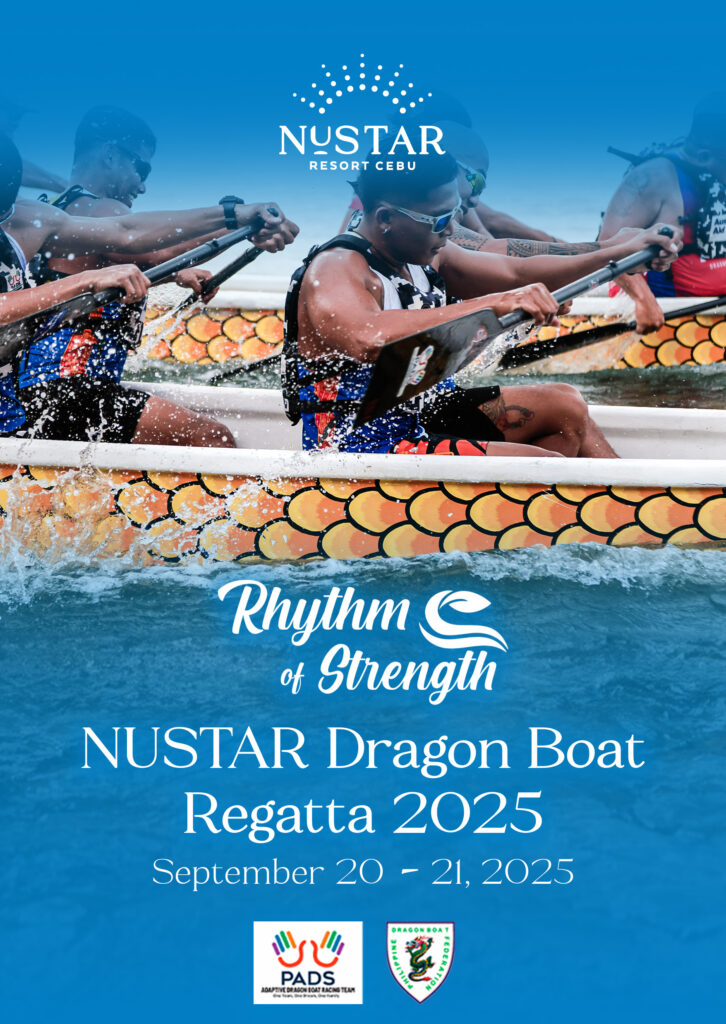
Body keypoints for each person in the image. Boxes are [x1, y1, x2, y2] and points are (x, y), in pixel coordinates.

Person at [285, 153, 679, 458]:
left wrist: (617, 252)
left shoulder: (427, 255)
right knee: (543, 467)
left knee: (565, 407)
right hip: (357, 448)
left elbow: (513, 271)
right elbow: (366, 337)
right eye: (440, 220)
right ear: (386, 217)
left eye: (455, 214)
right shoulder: (337, 268)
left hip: (426, 414)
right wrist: (498, 303)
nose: (452, 230)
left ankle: (632, 509)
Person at [0, 130, 298, 445]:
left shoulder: (35, 216)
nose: (142, 185)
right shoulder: (92, 207)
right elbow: (157, 253)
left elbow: (128, 233)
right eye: (141, 169)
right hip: (55, 389)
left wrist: (234, 217)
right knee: (213, 439)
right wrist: (85, 281)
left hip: (34, 392)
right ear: (110, 154)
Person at [600, 93, 726, 332]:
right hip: (665, 313)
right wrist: (642, 300)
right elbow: (604, 250)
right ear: (704, 157)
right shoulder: (652, 179)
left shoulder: (718, 164)